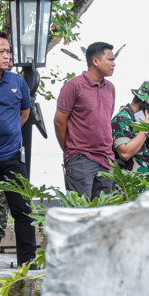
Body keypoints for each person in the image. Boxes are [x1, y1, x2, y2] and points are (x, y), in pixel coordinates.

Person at [0, 31, 36, 277]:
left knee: (23, 209)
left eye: (8, 51)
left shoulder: (17, 81)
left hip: (12, 157)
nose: (7, 56)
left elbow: (24, 114)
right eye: (1, 51)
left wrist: (9, 134)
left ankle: (28, 260)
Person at [54, 42, 116, 199]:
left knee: (102, 214)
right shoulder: (74, 86)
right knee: (80, 213)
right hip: (81, 158)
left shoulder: (110, 88)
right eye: (110, 59)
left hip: (106, 159)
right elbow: (59, 122)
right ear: (95, 61)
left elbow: (105, 120)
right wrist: (70, 151)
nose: (114, 64)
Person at [111, 81, 149, 173]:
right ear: (144, 104)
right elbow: (125, 153)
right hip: (129, 185)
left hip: (145, 184)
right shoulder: (122, 119)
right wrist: (143, 131)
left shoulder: (143, 121)